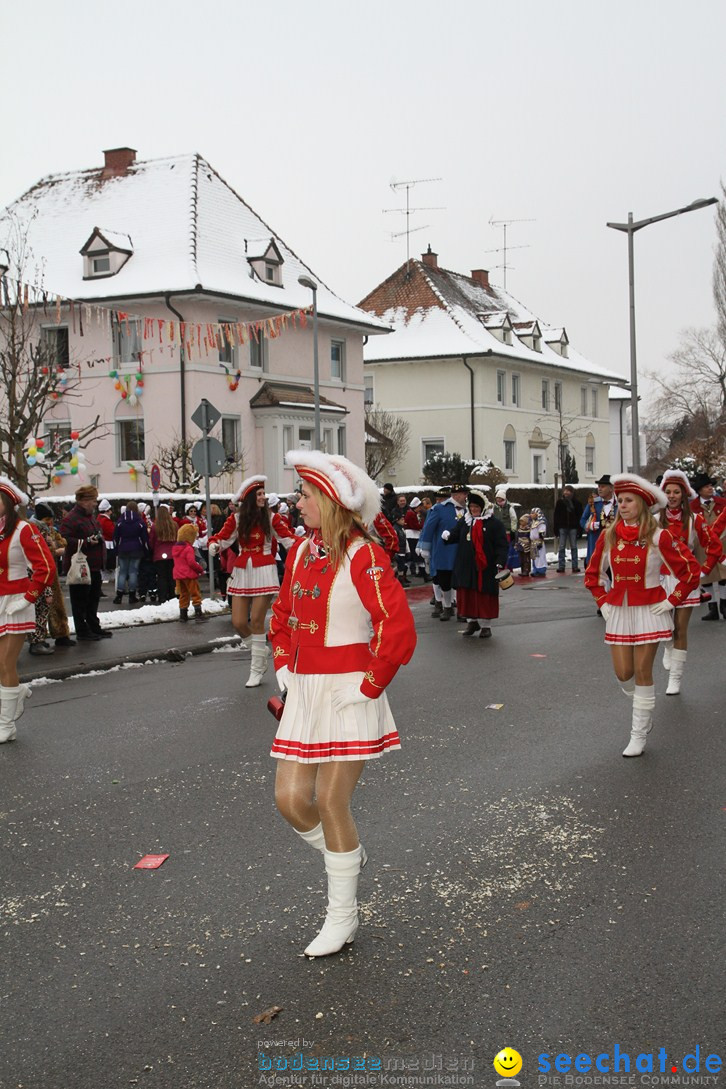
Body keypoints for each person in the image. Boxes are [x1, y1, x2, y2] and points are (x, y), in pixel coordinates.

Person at [269, 449, 416, 957]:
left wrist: (370, 685)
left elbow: (395, 627)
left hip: (350, 690)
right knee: (290, 800)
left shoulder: (364, 555)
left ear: (330, 500)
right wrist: (285, 662)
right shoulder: (300, 551)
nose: (298, 501)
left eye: (305, 494)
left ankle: (342, 916)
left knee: (332, 802)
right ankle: (347, 855)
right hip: (305, 690)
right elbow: (282, 615)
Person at [584, 473, 700, 757]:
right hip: (619, 610)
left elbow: (690, 572)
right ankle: (643, 706)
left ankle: (638, 733)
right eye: (619, 500)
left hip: (650, 608)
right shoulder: (609, 535)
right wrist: (603, 601)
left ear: (642, 504)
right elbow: (593, 574)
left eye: (627, 500)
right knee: (624, 674)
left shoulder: (660, 536)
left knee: (643, 670)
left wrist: (673, 600)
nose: (621, 505)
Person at [208, 475, 296, 688]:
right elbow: (221, 537)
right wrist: (214, 545)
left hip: (264, 569)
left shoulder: (272, 517)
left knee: (256, 620)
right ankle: (261, 650)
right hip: (242, 570)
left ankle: (257, 668)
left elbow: (288, 539)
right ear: (249, 498)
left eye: (263, 494)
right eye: (259, 494)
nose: (263, 497)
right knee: (238, 622)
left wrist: (306, 549)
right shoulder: (237, 519)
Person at [0, 478, 56, 742]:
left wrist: (27, 598)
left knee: (5, 662)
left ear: (10, 504)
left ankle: (6, 724)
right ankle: (16, 695)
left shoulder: (24, 529)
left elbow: (46, 567)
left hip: (16, 602)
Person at [657, 469, 723, 694]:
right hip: (660, 579)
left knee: (680, 628)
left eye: (677, 492)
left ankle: (675, 679)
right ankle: (667, 645)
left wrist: (703, 571)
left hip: (686, 580)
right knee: (665, 627)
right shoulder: (654, 520)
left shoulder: (695, 519)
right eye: (668, 492)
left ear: (684, 495)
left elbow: (714, 546)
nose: (673, 496)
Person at [442, 491, 509, 638]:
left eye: (476, 506)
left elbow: (502, 545)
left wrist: (500, 561)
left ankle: (486, 626)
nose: (473, 509)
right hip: (466, 565)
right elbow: (456, 534)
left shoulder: (493, 524)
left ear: (483, 506)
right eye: (471, 506)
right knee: (468, 594)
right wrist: (447, 536)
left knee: (484, 595)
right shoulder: (465, 521)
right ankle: (472, 621)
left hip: (485, 567)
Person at [60, 485, 112, 642]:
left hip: (93, 566)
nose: (95, 504)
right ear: (83, 501)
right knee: (80, 600)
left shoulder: (90, 517)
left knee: (93, 599)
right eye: (93, 500)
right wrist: (86, 542)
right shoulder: (71, 518)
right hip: (80, 567)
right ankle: (83, 630)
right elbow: (65, 540)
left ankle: (93, 625)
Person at [417, 484, 468, 620]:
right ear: (456, 495)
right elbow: (428, 529)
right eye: (464, 494)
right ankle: (446, 607)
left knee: (461, 582)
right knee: (444, 581)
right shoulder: (439, 509)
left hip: (462, 551)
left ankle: (461, 610)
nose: (465, 497)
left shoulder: (468, 509)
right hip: (444, 551)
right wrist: (425, 548)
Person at [689, 472, 726, 621]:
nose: (710, 489)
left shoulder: (722, 502)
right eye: (707, 487)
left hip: (722, 542)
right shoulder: (693, 506)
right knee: (707, 577)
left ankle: (724, 604)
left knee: (724, 575)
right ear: (699, 490)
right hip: (702, 544)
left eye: (711, 486)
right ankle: (712, 608)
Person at [112, 501, 149, 605]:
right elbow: (145, 539)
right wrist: (146, 551)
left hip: (123, 549)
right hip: (136, 549)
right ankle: (132, 595)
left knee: (123, 572)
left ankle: (119, 595)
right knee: (133, 572)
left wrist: (116, 550)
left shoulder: (120, 522)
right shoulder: (140, 522)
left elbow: (115, 538)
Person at [173, 523, 206, 621]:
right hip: (189, 575)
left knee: (183, 594)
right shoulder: (188, 548)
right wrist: (200, 569)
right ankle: (198, 614)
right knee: (195, 594)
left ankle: (183, 615)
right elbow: (191, 562)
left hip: (179, 575)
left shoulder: (175, 548)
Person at [148, 504, 178, 603]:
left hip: (159, 555)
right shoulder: (174, 525)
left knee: (162, 577)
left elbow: (151, 542)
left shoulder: (155, 526)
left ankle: (162, 596)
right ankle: (173, 595)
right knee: (172, 576)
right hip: (172, 554)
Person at [554, 485, 583, 573]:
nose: (566, 492)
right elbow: (556, 515)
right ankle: (561, 566)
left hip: (573, 527)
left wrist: (579, 529)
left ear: (572, 492)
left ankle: (575, 566)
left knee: (574, 546)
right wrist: (556, 527)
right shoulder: (560, 502)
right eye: (565, 491)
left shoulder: (576, 503)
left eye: (568, 491)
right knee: (561, 546)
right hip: (562, 527)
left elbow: (579, 516)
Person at [403, 496, 426, 579]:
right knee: (417, 556)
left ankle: (403, 575)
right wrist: (422, 525)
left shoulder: (412, 513)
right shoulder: (411, 514)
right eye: (419, 507)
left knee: (411, 557)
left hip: (413, 535)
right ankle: (423, 574)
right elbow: (415, 526)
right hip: (412, 536)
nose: (420, 509)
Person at [580, 491, 600, 565]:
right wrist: (589, 526)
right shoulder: (592, 504)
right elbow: (583, 520)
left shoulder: (615, 503)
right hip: (594, 538)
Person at [529, 507, 548, 576]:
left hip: (538, 542)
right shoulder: (533, 522)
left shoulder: (541, 522)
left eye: (532, 513)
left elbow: (542, 532)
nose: (531, 515)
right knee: (534, 557)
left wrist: (540, 541)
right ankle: (535, 570)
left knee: (540, 557)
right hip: (533, 542)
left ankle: (541, 570)